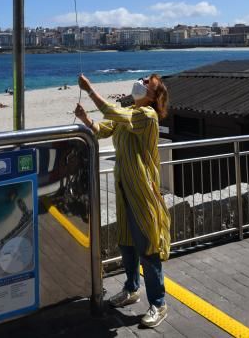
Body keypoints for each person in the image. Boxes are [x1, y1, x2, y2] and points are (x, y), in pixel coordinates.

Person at [74, 73, 170, 329]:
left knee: (148, 249)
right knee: (127, 244)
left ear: (153, 96)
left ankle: (159, 304)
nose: (142, 82)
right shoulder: (128, 111)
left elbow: (111, 112)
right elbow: (103, 129)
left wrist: (90, 89)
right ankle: (131, 289)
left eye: (148, 83)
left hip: (142, 192)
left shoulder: (146, 116)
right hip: (124, 190)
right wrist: (85, 119)